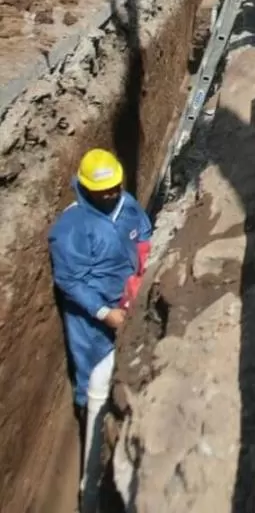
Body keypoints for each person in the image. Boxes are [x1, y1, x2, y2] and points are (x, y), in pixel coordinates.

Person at [49, 149, 152, 512]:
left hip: (128, 304)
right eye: (104, 191)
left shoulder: (127, 205)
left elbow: (144, 239)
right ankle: (90, 441)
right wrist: (105, 312)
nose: (112, 195)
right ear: (85, 188)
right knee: (91, 380)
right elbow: (70, 281)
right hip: (91, 321)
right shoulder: (71, 228)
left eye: (115, 187)